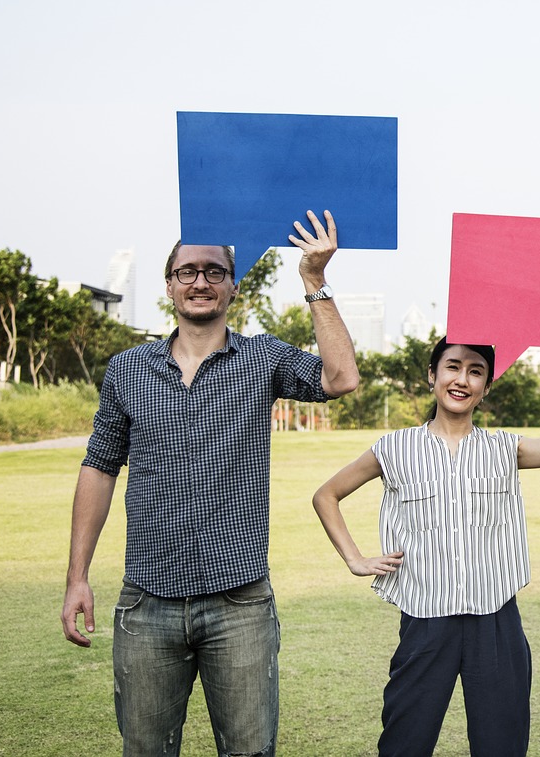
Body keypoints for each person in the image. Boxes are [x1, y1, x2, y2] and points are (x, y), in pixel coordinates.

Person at [61, 210, 360, 757]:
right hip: (146, 603)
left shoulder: (263, 358)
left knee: (249, 751)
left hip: (239, 603)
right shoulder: (126, 370)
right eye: (188, 271)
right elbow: (99, 468)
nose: (201, 281)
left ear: (233, 286)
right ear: (170, 285)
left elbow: (341, 377)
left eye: (215, 271)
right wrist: (77, 576)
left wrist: (314, 280)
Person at [312, 328, 540, 757]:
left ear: (486, 387)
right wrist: (354, 558)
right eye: (453, 367)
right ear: (432, 375)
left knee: (501, 744)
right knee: (404, 743)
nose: (462, 379)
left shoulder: (504, 448)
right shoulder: (395, 448)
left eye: (476, 371)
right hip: (426, 622)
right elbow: (326, 495)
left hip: (496, 622)